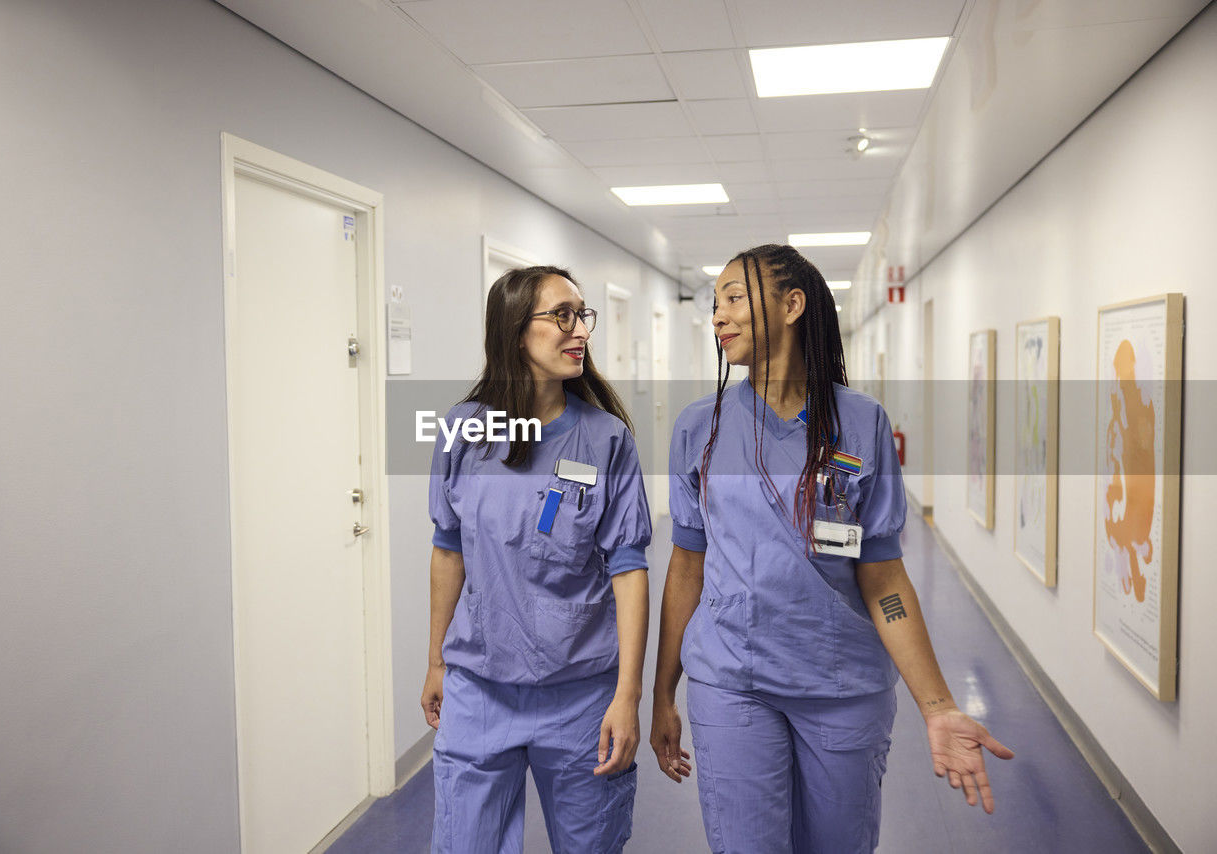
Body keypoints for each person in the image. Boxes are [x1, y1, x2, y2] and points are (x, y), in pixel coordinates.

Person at [649, 244, 1014, 853]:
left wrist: (938, 705)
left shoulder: (861, 422)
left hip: (841, 684)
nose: (718, 315)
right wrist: (663, 690)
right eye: (714, 305)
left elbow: (885, 579)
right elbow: (687, 564)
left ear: (792, 305)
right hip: (732, 681)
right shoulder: (699, 426)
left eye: (734, 298)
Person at [423, 266, 652, 854]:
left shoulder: (606, 440)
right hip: (478, 686)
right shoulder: (463, 432)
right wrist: (435, 662)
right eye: (561, 316)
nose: (579, 331)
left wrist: (629, 695)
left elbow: (629, 569)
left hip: (580, 694)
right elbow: (448, 550)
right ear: (513, 332)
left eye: (583, 315)